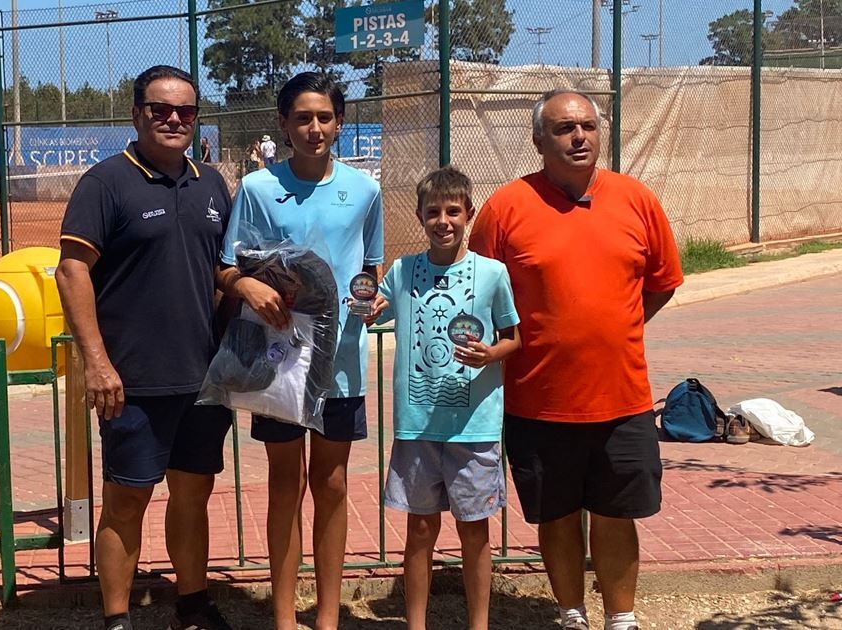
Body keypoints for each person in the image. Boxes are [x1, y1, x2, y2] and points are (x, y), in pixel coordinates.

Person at [468, 89, 683, 630]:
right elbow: (476, 289)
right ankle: (571, 614)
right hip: (537, 402)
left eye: (588, 125)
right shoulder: (505, 207)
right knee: (557, 516)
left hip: (623, 398)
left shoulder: (637, 199)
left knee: (616, 515)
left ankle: (622, 618)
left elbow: (661, 284)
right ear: (539, 139)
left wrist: (616, 328)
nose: (579, 137)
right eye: (564, 129)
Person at [55, 65, 233, 630]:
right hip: (132, 381)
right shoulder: (105, 183)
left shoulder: (212, 184)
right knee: (126, 501)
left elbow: (221, 271)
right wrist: (98, 365)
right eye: (161, 109)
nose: (174, 119)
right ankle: (117, 617)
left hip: (204, 378)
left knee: (192, 494)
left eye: (185, 111)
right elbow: (71, 273)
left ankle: (193, 603)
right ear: (137, 115)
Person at [216, 72, 384, 630]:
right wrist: (249, 286)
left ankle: (328, 616)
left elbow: (368, 271)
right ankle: (284, 618)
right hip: (279, 362)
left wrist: (373, 298)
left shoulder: (364, 190)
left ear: (339, 121)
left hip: (339, 366)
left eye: (326, 117)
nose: (315, 128)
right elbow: (229, 266)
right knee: (285, 483)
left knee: (331, 485)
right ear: (284, 124)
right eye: (303, 118)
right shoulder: (259, 189)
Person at [363, 166, 520, 630]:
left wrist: (491, 353)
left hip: (474, 425)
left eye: (453, 211)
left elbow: (514, 337)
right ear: (419, 216)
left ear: (469, 213)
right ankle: (416, 623)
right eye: (433, 212)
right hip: (417, 426)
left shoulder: (493, 273)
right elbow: (375, 304)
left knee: (474, 531)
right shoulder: (402, 270)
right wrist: (367, 305)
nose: (443, 221)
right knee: (419, 529)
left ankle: (479, 623)